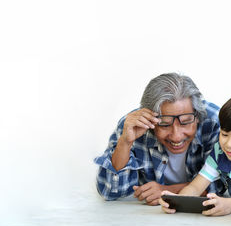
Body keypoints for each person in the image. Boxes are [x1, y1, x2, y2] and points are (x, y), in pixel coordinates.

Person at [94, 73, 222, 205]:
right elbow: (110, 191)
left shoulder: (214, 122)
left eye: (185, 122)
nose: (176, 136)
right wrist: (125, 143)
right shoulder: (133, 125)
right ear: (151, 121)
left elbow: (221, 185)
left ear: (197, 115)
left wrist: (167, 191)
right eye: (164, 124)